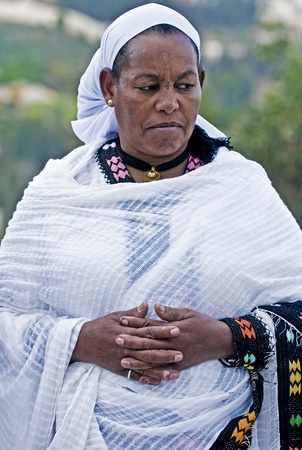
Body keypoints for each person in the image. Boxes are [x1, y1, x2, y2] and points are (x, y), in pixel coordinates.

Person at [0, 3, 302, 449]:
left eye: (184, 85)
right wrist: (80, 340)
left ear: (201, 83)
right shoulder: (60, 193)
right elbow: (6, 320)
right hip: (83, 433)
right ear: (109, 87)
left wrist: (226, 337)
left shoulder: (242, 189)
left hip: (225, 434)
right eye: (148, 86)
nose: (169, 103)